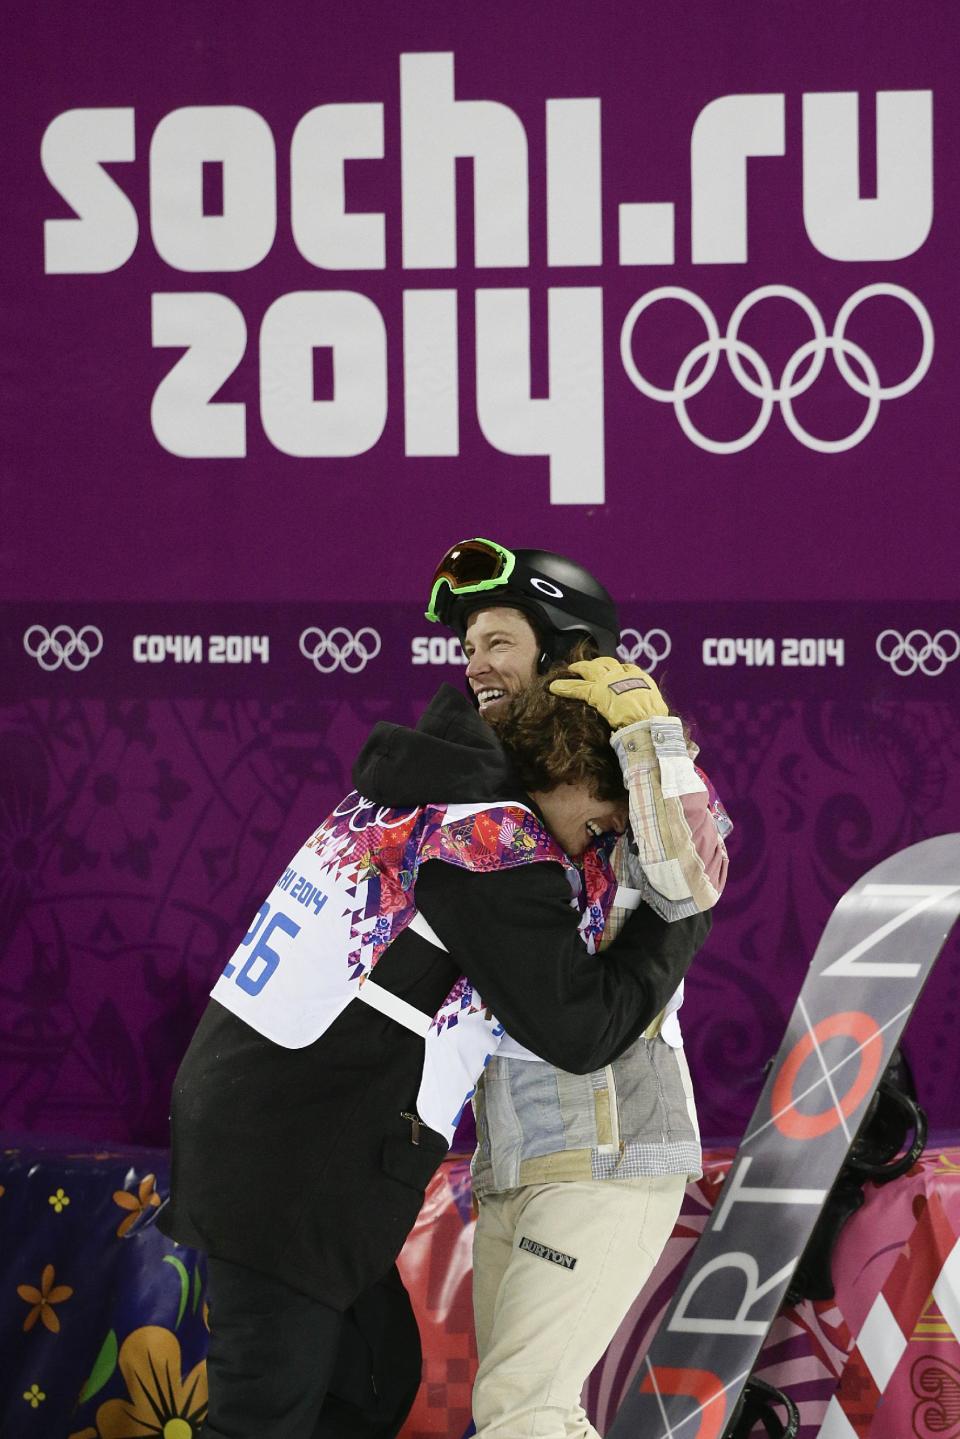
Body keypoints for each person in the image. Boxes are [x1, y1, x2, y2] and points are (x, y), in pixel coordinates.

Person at [157, 664, 712, 1439]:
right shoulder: (488, 839)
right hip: (295, 1164)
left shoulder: (422, 785)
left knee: (374, 1379)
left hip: (268, 1127)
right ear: (571, 767)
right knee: (267, 1418)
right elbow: (581, 1026)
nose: (613, 829)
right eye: (608, 808)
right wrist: (679, 910)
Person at [417, 538, 732, 1439]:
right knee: (529, 1412)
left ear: (562, 649)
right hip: (513, 1167)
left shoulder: (636, 761)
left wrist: (647, 732)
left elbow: (690, 884)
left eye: (498, 641)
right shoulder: (490, 798)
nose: (475, 663)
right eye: (467, 644)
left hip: (611, 1157)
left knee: (521, 1412)